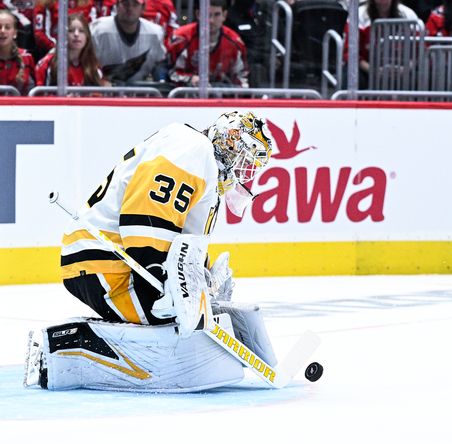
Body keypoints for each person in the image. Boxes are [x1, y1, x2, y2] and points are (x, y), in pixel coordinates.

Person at [24, 111, 279, 392]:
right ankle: (64, 347)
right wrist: (162, 274)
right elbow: (147, 213)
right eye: (246, 159)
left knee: (197, 320)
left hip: (120, 260)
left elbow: (185, 240)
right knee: (172, 327)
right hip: (104, 260)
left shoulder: (201, 161)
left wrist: (202, 282)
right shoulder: (191, 147)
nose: (245, 171)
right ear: (230, 141)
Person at [349, 0, 420, 85]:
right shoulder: (358, 15)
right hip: (367, 68)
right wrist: (373, 71)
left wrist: (406, 69)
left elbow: (419, 50)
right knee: (350, 77)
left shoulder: (408, 15)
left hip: (403, 70)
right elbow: (350, 52)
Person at [90, 0, 168, 86]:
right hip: (102, 90)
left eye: (135, 4)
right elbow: (87, 62)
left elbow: (160, 64)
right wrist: (98, 80)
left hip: (139, 91)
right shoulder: (97, 29)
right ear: (117, 5)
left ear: (143, 7)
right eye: (125, 3)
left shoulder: (155, 33)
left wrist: (160, 81)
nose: (130, 8)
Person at [168, 0, 248, 88]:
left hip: (219, 98)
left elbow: (242, 79)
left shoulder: (235, 43)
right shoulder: (181, 38)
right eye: (207, 14)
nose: (211, 21)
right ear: (198, 14)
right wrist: (190, 79)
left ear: (224, 15)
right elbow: (167, 72)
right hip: (184, 96)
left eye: (217, 15)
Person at [34, 13, 106, 87]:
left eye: (81, 31)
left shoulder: (93, 65)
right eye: (71, 30)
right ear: (63, 35)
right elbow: (40, 95)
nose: (76, 34)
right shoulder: (47, 64)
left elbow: (98, 95)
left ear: (87, 36)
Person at [0, 8, 34, 94]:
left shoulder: (27, 58)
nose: (2, 31)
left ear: (15, 33)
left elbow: (34, 93)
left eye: (7, 27)